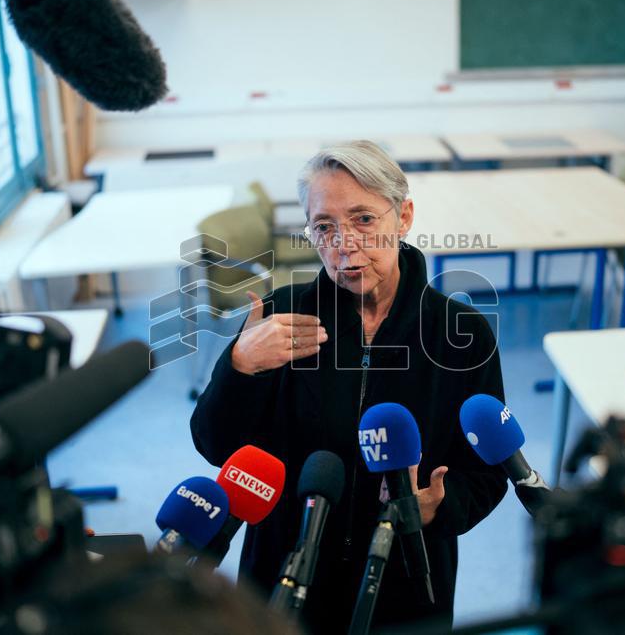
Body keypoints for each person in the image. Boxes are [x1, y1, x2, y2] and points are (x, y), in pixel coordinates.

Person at [191, 141, 508, 632]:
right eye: (324, 226)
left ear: (402, 217)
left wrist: (441, 509)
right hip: (284, 579)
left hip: (407, 582)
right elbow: (214, 445)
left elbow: (488, 472)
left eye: (363, 219)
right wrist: (239, 367)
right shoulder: (281, 317)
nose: (343, 242)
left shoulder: (460, 335)